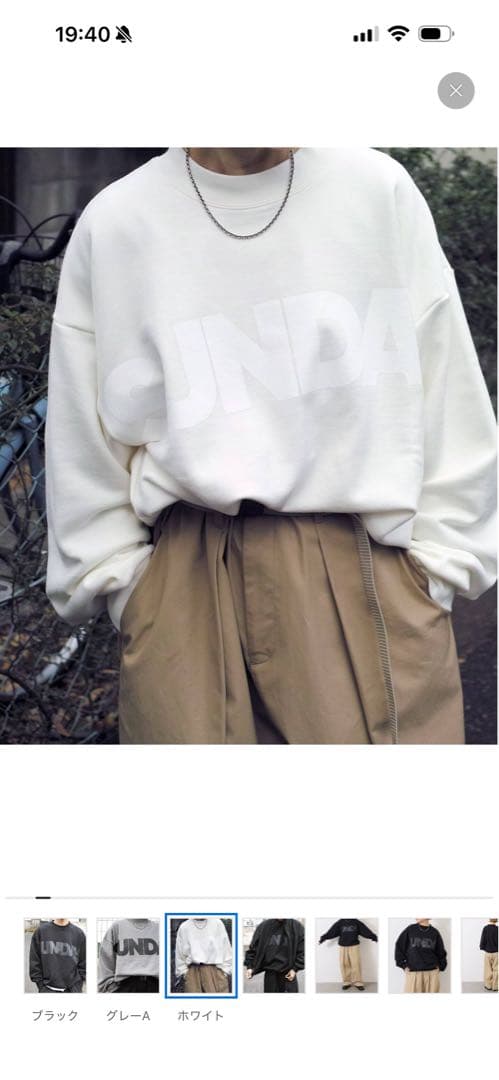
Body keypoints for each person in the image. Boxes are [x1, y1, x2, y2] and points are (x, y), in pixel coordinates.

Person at [45, 146, 497, 745]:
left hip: (367, 573)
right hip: (183, 584)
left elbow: (448, 393)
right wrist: (131, 593)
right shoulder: (117, 222)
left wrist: (433, 574)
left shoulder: (376, 191)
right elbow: (84, 435)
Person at [98, 918, 159, 992]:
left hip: (155, 985)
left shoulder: (159, 929)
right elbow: (105, 960)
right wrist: (109, 986)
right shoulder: (117, 927)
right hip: (124, 985)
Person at [244, 917, 304, 993]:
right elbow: (254, 948)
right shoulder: (264, 926)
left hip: (289, 973)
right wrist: (250, 967)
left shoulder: (296, 927)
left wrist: (294, 969)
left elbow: (303, 950)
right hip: (270, 974)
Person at [174, 916, 232, 994]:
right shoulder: (184, 927)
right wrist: (185, 974)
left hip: (215, 972)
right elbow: (180, 954)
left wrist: (225, 972)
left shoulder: (217, 923)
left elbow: (226, 949)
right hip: (192, 973)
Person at [318, 917, 377, 990]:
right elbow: (332, 932)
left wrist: (373, 937)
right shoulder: (340, 922)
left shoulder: (356, 922)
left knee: (356, 964)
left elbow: (365, 931)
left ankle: (358, 982)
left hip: (354, 946)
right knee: (344, 964)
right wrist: (323, 938)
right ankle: (346, 982)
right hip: (343, 946)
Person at [29, 918, 86, 993]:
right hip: (47, 990)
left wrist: (77, 987)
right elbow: (35, 962)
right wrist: (41, 987)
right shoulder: (41, 932)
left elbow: (84, 963)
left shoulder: (79, 934)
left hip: (72, 990)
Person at [395, 918, 447, 993]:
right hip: (414, 973)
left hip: (432, 973)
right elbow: (399, 946)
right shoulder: (410, 929)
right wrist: (403, 965)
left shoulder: (434, 932)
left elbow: (441, 951)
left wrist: (441, 966)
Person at [479, 918, 498, 991]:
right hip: (496, 953)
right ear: (496, 921)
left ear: (489, 920)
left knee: (488, 970)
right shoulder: (498, 929)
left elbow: (483, 939)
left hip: (487, 953)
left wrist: (483, 947)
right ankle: (495, 986)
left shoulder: (485, 928)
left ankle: (488, 985)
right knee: (497, 970)